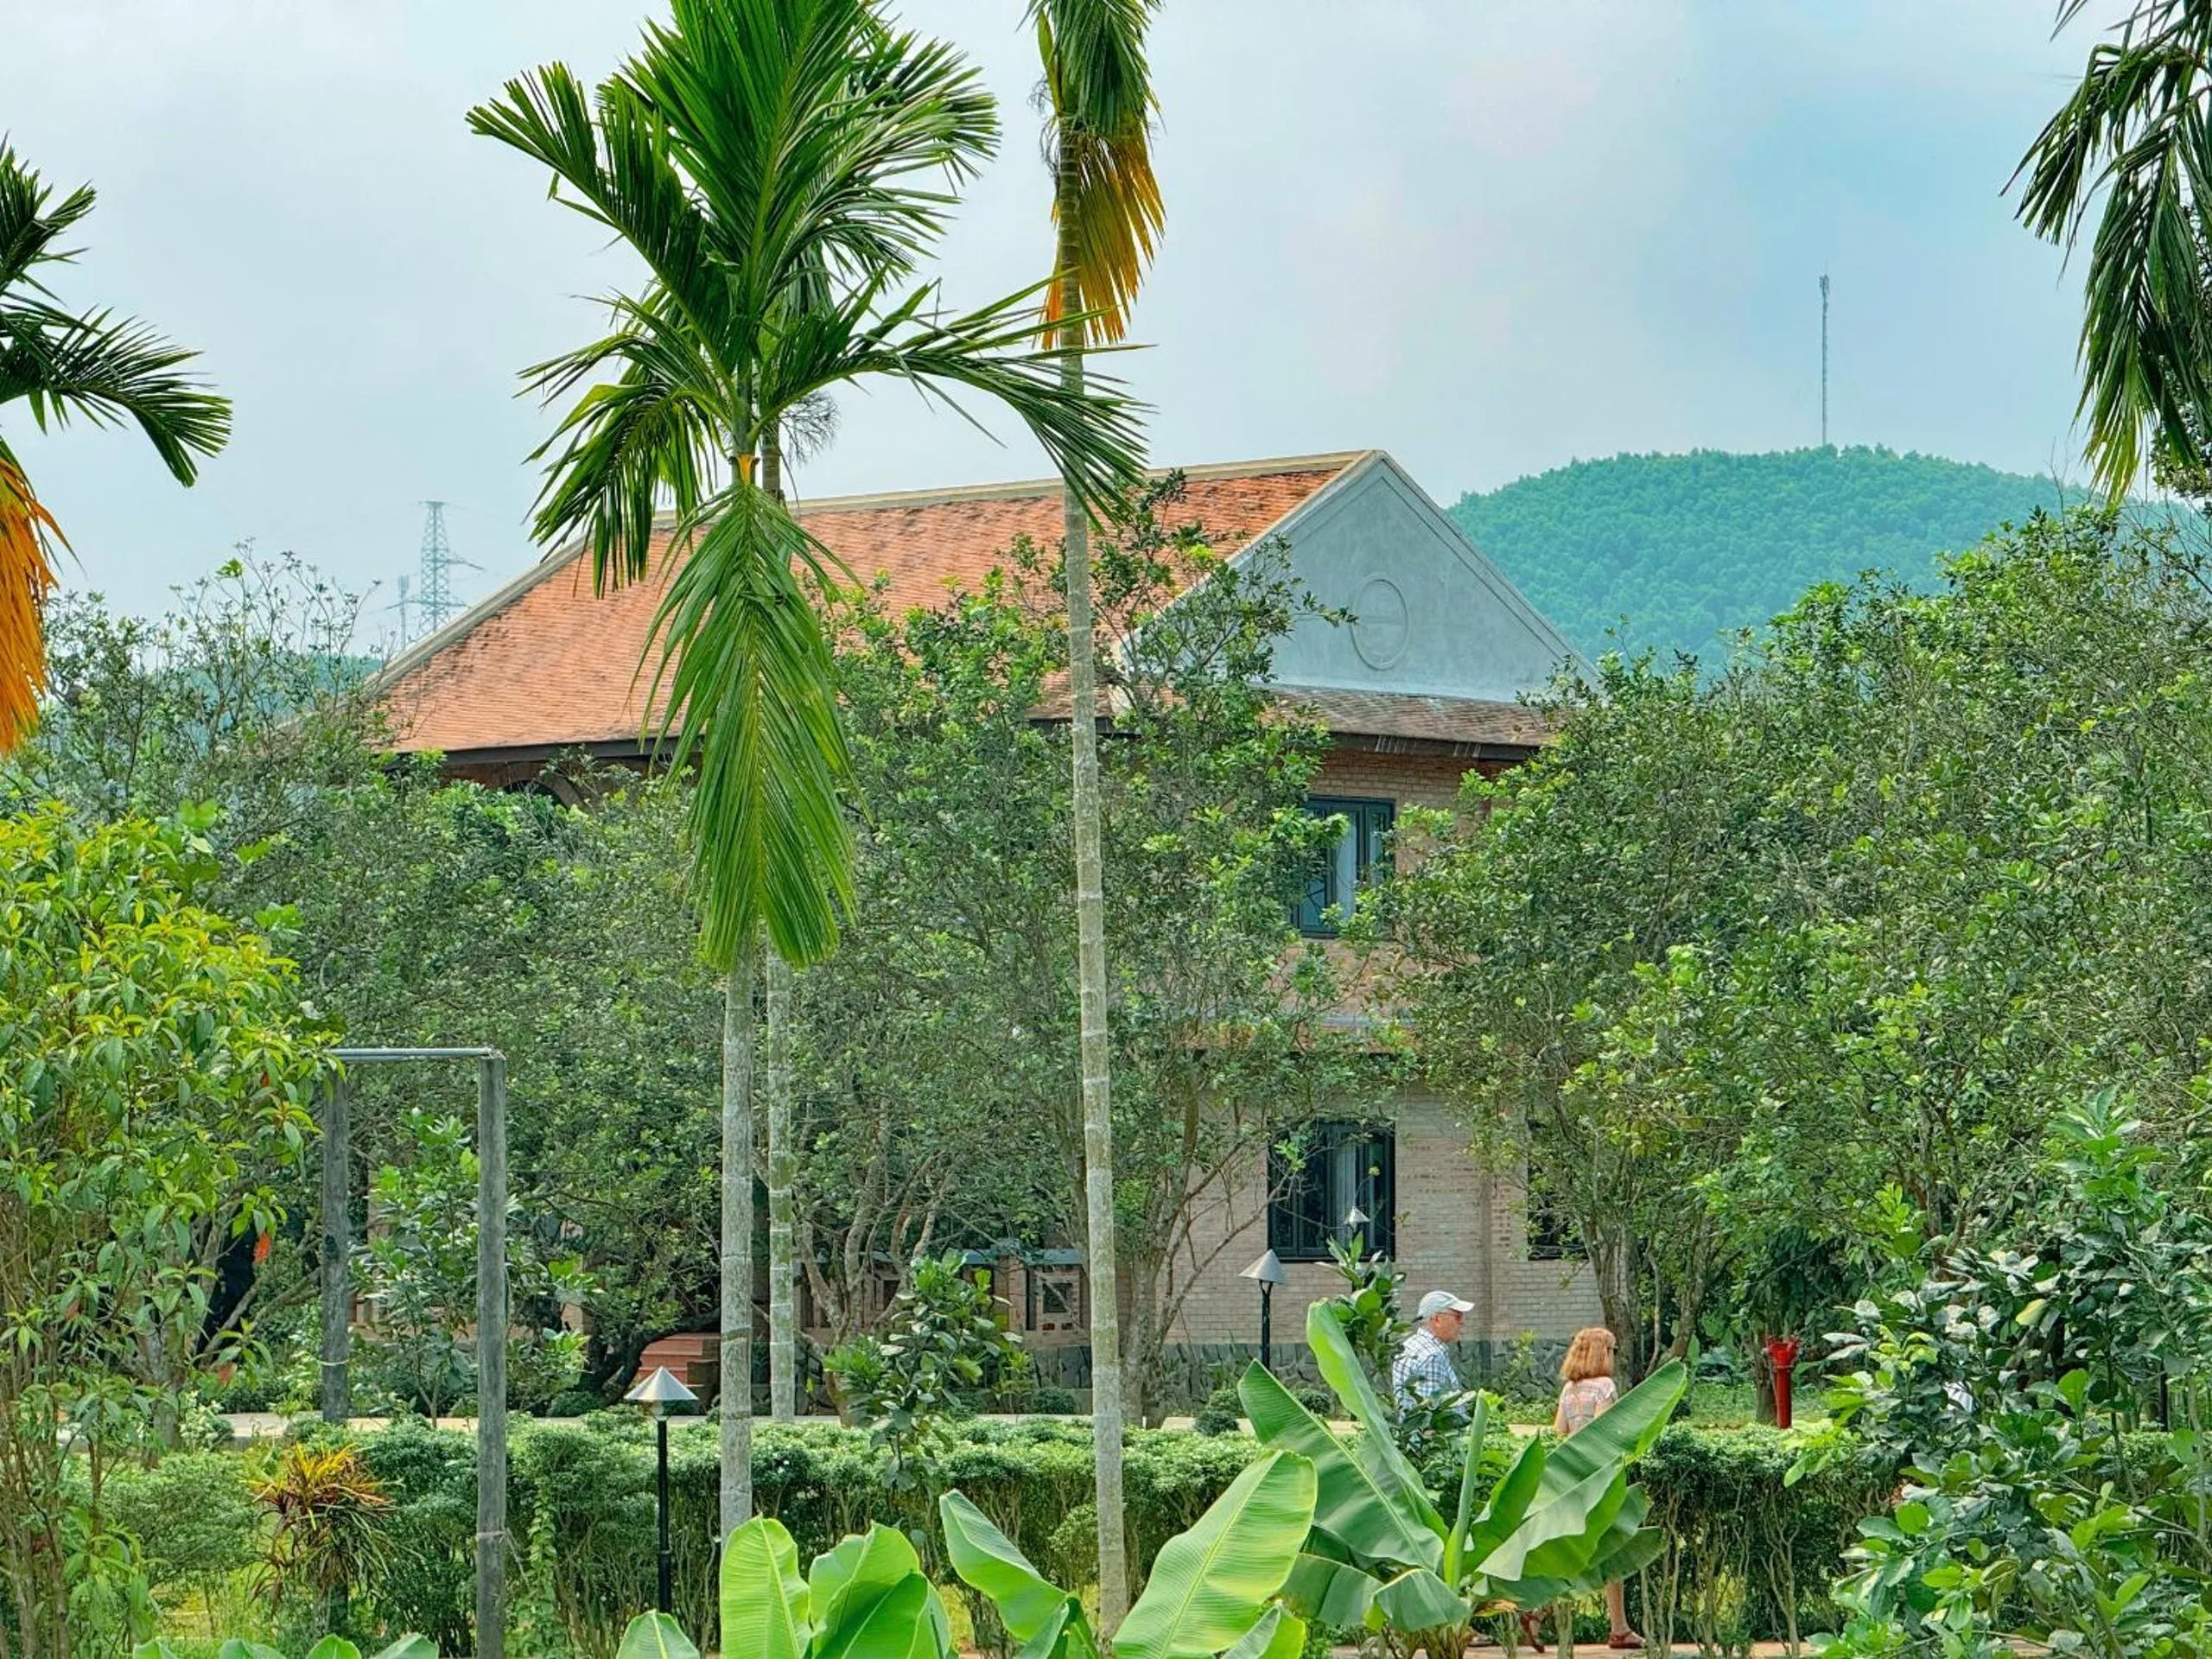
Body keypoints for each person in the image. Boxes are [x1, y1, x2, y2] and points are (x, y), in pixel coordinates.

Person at [1554, 1325, 1643, 1649]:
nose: (1614, 1356)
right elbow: (1607, 1434)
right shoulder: (1605, 1386)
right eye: (1612, 1350)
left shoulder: (1569, 1390)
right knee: (1612, 1550)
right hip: (1602, 1479)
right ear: (1601, 1352)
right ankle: (1618, 1627)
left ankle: (1539, 1611)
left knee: (1569, 1551)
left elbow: (1559, 1434)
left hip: (1574, 1480)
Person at [1390, 1288, 1473, 1413]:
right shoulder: (1431, 1357)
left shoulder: (1410, 1345)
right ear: (1437, 1319)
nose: (1462, 1322)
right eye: (1457, 1316)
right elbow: (1430, 1416)